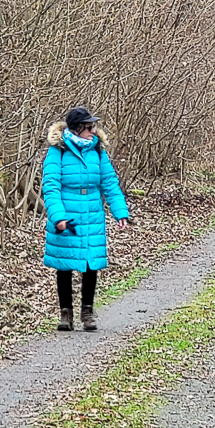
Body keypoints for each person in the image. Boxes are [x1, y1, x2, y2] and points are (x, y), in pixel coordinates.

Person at [42, 106, 131, 332]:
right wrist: (58, 217)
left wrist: (120, 212)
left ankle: (87, 312)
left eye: (93, 127)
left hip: (92, 213)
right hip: (67, 213)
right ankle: (66, 314)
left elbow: (109, 183)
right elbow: (51, 186)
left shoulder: (97, 150)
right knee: (64, 265)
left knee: (92, 263)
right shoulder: (58, 150)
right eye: (89, 127)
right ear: (77, 129)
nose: (93, 131)